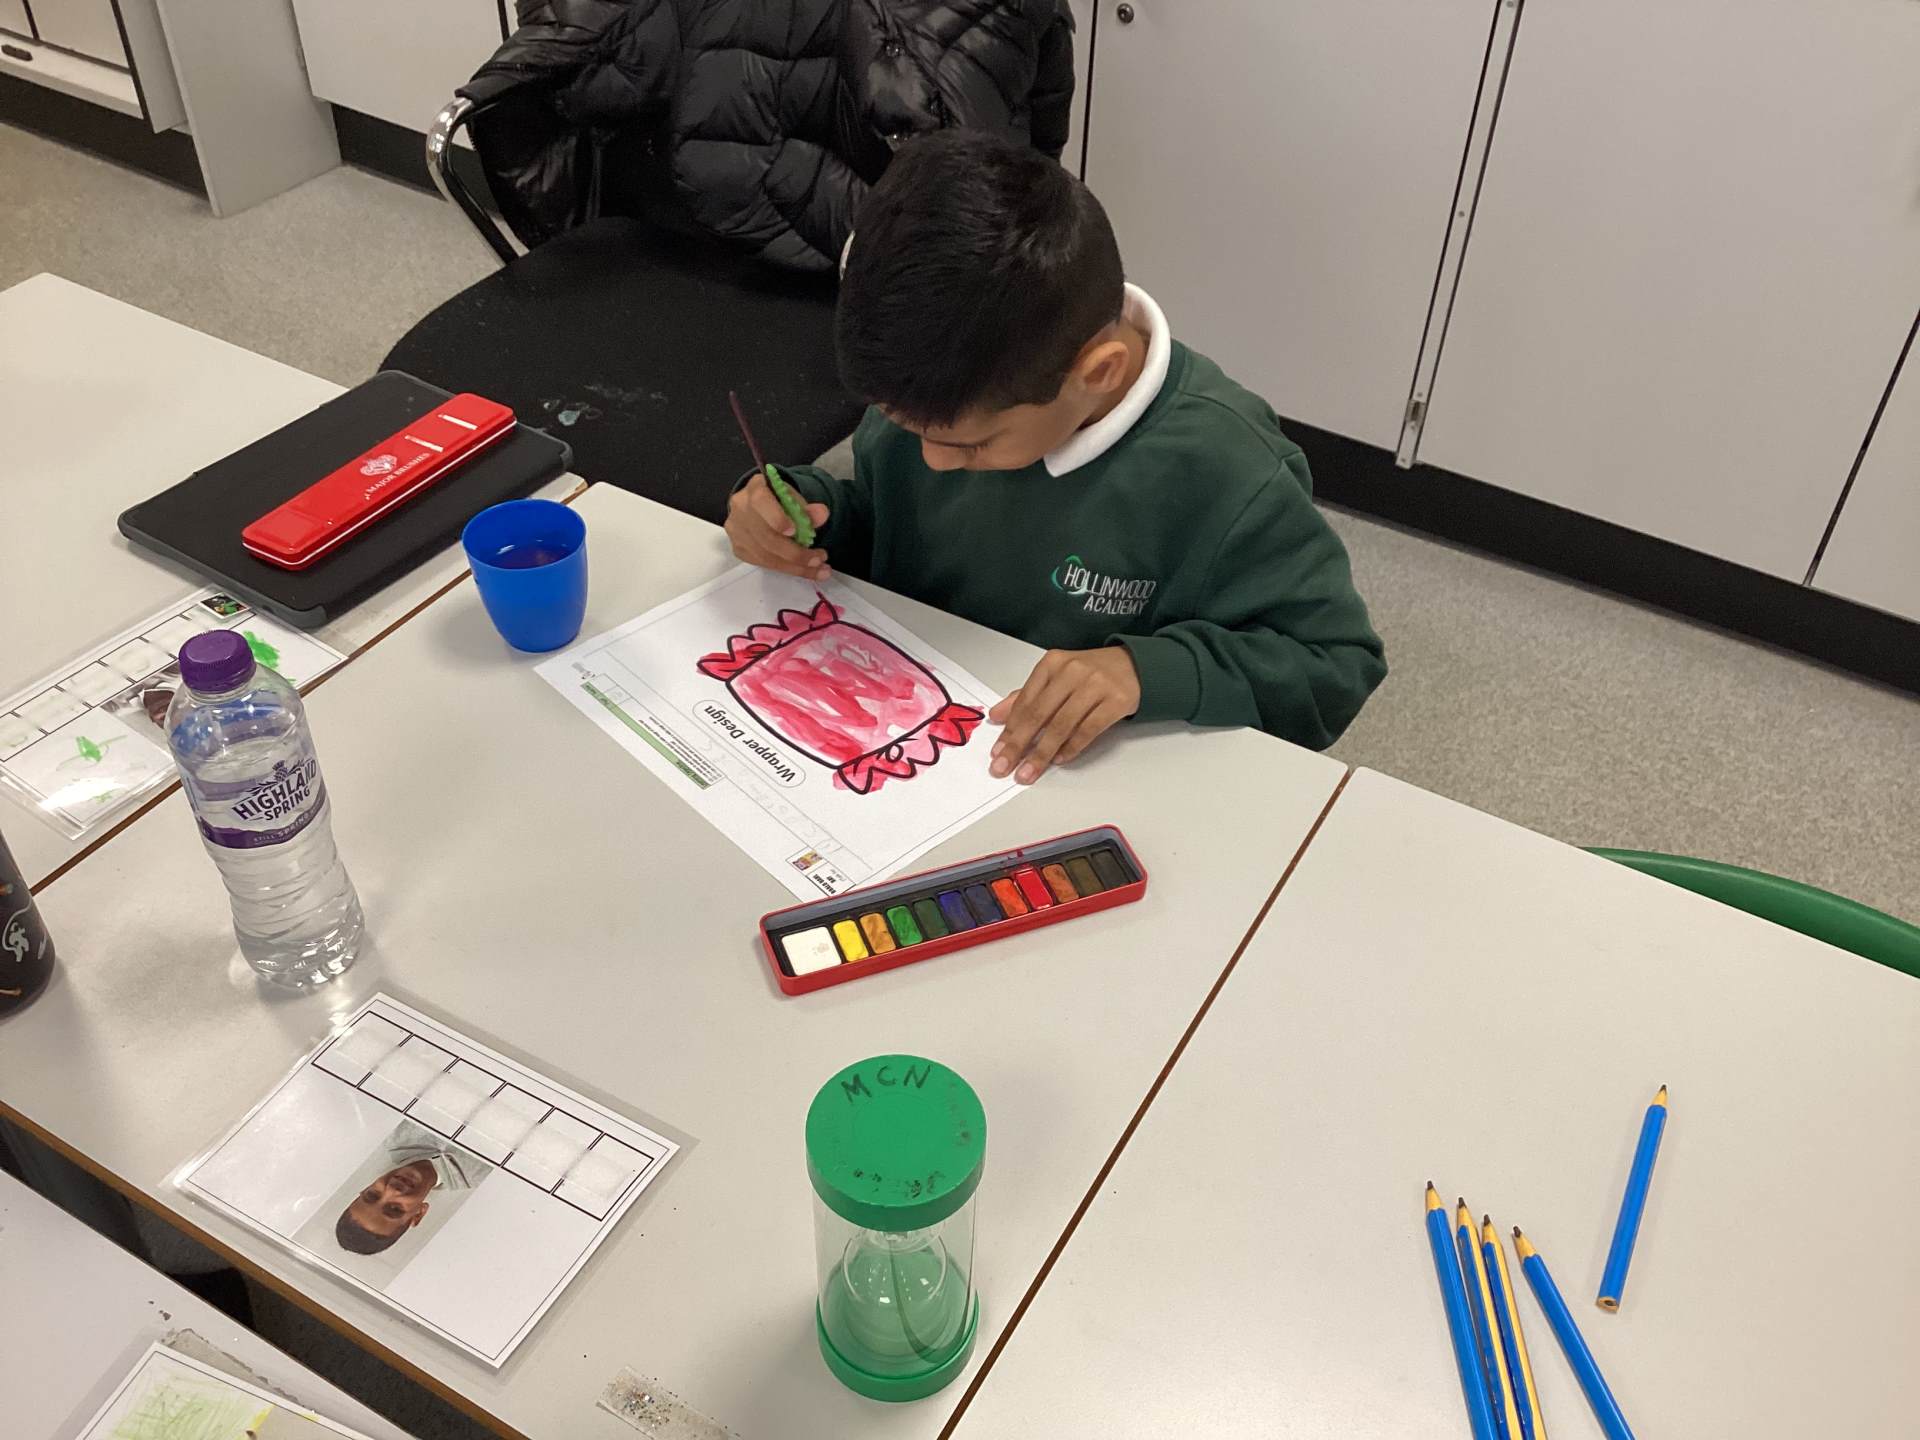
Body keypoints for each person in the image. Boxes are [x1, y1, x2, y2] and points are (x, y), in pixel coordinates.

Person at [725, 131, 1385, 783]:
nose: (932, 461)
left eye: (971, 445)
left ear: (1098, 373)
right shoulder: (942, 391)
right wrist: (813, 517)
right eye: (904, 427)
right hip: (919, 729)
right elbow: (891, 524)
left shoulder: (1228, 471)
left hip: (1077, 780)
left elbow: (1335, 663)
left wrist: (1145, 672)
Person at [333, 1124, 486, 1257]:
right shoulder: (480, 1174)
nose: (391, 1190)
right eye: (395, 1209)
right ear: (419, 1213)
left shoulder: (393, 1129)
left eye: (373, 1195)